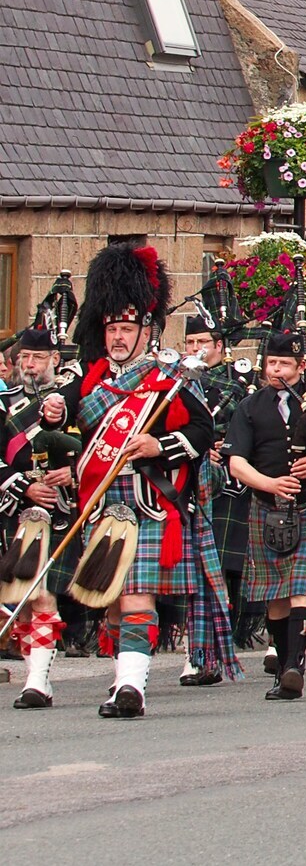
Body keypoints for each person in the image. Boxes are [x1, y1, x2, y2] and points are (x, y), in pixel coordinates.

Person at [57, 243, 238, 717]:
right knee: (112, 601)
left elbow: (201, 430)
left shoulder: (170, 376)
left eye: (126, 329)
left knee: (136, 594)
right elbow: (59, 420)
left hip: (149, 499)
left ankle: (131, 688)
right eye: (112, 328)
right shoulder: (92, 380)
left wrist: (160, 446)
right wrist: (55, 411)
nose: (117, 338)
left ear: (147, 330)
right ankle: (122, 679)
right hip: (101, 503)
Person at [223, 331, 306, 700]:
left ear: (301, 366)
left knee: (301, 588)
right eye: (271, 363)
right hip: (266, 507)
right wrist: (269, 484)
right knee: (275, 597)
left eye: (284, 364)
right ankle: (283, 668)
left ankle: (296, 667)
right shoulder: (251, 406)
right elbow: (236, 463)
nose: (276, 370)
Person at [2, 326, 83, 708]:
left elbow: (95, 444)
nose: (30, 366)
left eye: (38, 358)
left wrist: (75, 471)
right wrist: (21, 485)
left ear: (55, 359)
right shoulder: (6, 403)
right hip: (16, 508)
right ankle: (34, 673)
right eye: (24, 359)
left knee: (43, 593)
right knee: (20, 593)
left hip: (63, 508)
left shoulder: (74, 397)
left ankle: (38, 680)